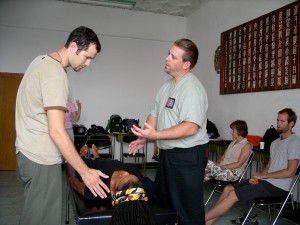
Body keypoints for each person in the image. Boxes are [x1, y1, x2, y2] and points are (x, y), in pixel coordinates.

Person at [15, 26, 110, 225]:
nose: (88, 64)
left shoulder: (39, 61)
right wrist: (85, 172)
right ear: (73, 46)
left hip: (26, 152)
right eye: (86, 57)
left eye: (92, 59)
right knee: (42, 219)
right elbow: (57, 130)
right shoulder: (56, 74)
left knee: (36, 213)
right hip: (41, 158)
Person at [128, 38, 209, 225]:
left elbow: (191, 126)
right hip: (168, 154)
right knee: (165, 204)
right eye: (168, 53)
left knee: (187, 211)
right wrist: (143, 137)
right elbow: (154, 114)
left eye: (172, 56)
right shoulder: (167, 85)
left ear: (186, 64)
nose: (166, 58)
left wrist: (155, 136)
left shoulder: (192, 89)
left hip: (188, 156)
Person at [205, 108, 300, 225]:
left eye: (282, 121)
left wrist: (263, 176)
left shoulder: (295, 142)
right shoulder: (275, 143)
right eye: (277, 120)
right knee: (228, 189)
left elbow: (290, 172)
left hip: (278, 187)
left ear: (291, 124)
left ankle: (198, 220)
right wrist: (259, 177)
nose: (278, 124)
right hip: (266, 182)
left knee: (233, 194)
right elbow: (269, 166)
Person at [69, 145, 156, 225]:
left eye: (122, 177)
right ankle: (97, 157)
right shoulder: (147, 185)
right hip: (118, 163)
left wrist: (70, 174)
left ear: (114, 192)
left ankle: (84, 156)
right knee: (109, 161)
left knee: (86, 162)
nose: (126, 173)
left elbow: (75, 183)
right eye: (136, 185)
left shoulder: (100, 189)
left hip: (98, 167)